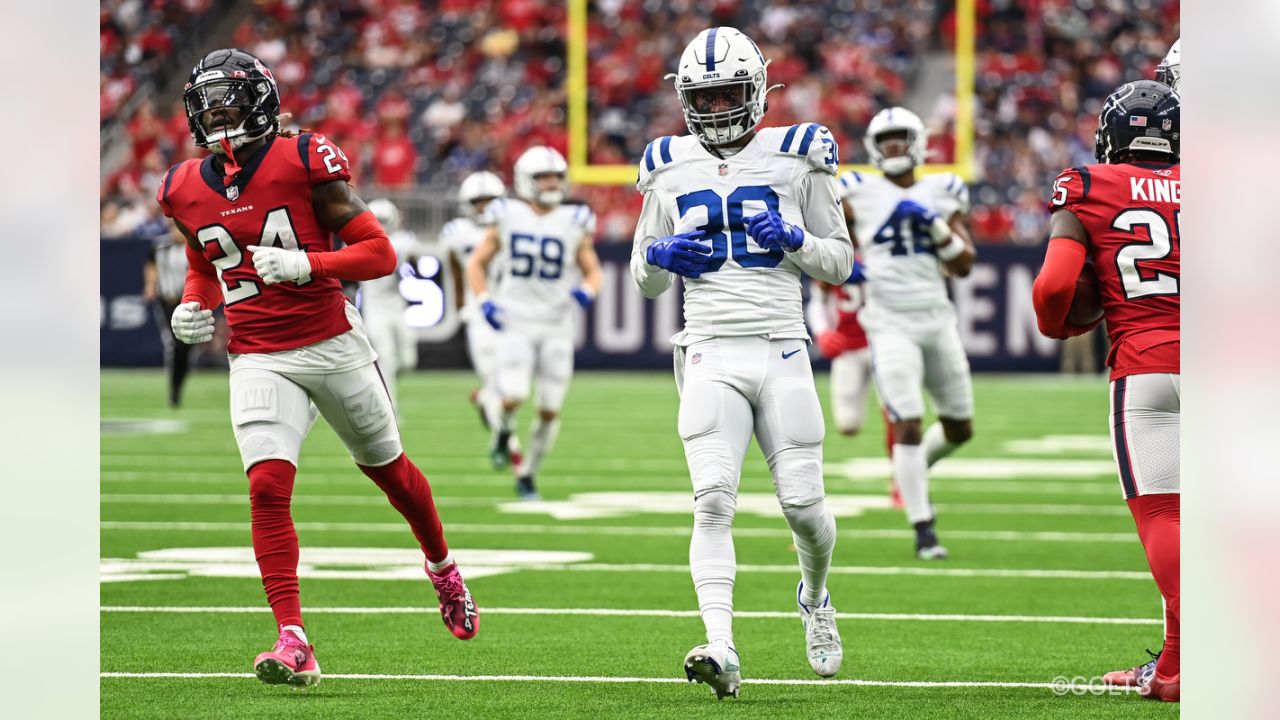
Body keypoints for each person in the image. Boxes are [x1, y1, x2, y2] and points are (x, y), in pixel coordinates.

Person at [157, 48, 478, 689]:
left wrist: (311, 266)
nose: (219, 116)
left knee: (390, 472)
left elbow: (379, 253)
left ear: (261, 104)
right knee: (267, 487)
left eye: (230, 103)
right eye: (208, 106)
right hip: (256, 354)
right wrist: (195, 305)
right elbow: (202, 260)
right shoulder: (182, 186)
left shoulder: (303, 159)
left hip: (331, 342)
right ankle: (293, 637)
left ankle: (441, 565)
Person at [630, 26, 853, 699]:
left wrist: (794, 239)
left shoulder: (797, 154)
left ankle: (814, 596)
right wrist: (660, 257)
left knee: (803, 505)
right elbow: (644, 279)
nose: (719, 106)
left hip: (782, 345)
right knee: (712, 502)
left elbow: (840, 263)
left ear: (757, 89)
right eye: (706, 95)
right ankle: (721, 646)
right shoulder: (665, 162)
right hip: (707, 350)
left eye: (730, 91)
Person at [1032, 80, 1181, 703]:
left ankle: (1181, 670)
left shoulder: (1086, 186)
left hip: (1146, 365)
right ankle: (1175, 664)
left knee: (1166, 514)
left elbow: (1051, 293)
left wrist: (1077, 322)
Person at [839, 107, 977, 560]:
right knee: (908, 423)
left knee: (960, 426)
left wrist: (937, 228)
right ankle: (924, 529)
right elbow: (829, 241)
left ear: (917, 142)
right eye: (887, 140)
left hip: (937, 317)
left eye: (901, 139)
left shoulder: (944, 190)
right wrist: (841, 270)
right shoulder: (856, 191)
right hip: (889, 320)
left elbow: (963, 264)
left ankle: (909, 472)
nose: (894, 148)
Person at [466, 147, 602, 500]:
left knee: (549, 408)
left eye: (556, 176)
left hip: (558, 324)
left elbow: (592, 269)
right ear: (527, 180)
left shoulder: (575, 219)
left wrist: (587, 291)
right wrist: (485, 300)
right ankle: (500, 429)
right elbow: (476, 264)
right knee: (513, 395)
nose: (552, 183)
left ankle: (528, 474)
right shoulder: (506, 213)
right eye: (544, 177)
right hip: (516, 319)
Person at [806, 268, 902, 507]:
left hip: (884, 342)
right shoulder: (834, 245)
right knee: (848, 425)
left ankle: (900, 481)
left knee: (896, 412)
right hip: (847, 347)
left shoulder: (883, 246)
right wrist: (823, 332)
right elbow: (819, 299)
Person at [443, 171, 521, 466]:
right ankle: (506, 442)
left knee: (513, 386)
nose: (485, 207)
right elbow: (454, 267)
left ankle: (490, 412)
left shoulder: (512, 225)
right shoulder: (456, 231)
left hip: (512, 312)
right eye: (479, 201)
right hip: (480, 313)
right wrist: (461, 303)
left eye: (490, 200)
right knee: (494, 381)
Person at [359, 198, 418, 415]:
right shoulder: (359, 242)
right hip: (375, 308)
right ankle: (391, 410)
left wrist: (411, 263)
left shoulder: (403, 241)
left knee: (408, 361)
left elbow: (412, 271)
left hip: (397, 305)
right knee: (387, 357)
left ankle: (377, 382)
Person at [144, 223, 193, 406]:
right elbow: (150, 265)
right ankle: (174, 388)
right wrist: (150, 285)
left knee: (185, 347)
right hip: (167, 301)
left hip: (189, 303)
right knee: (174, 344)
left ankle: (176, 384)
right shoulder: (160, 246)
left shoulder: (193, 246)